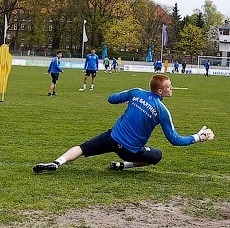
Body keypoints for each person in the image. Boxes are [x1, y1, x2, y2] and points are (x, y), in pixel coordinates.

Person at [33, 74, 215, 173]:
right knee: (157, 156)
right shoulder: (162, 111)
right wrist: (197, 138)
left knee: (82, 148)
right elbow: (174, 139)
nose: (172, 88)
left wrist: (128, 99)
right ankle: (123, 165)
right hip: (130, 151)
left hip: (111, 137)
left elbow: (111, 99)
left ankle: (57, 162)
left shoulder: (136, 92)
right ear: (160, 91)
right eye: (169, 87)